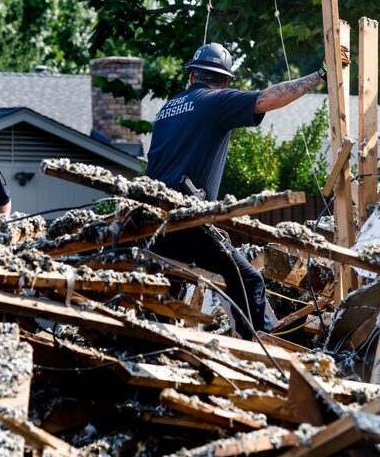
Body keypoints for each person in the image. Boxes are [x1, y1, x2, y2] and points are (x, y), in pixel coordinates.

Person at [146, 42, 347, 339]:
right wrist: (321, 74)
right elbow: (267, 99)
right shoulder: (212, 101)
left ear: (191, 76)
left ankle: (156, 338)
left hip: (153, 224)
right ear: (225, 82)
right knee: (248, 279)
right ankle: (259, 348)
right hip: (185, 220)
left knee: (170, 281)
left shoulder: (166, 110)